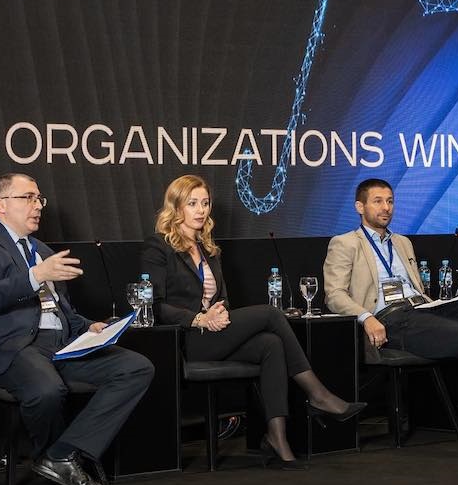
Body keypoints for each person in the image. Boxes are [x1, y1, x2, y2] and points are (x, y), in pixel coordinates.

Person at [142, 174, 364, 469]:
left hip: (214, 333)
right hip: (186, 339)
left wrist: (219, 314)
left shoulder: (208, 248)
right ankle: (318, 395)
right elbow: (154, 305)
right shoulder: (158, 247)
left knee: (270, 344)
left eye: (205, 203)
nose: (201, 210)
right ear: (176, 206)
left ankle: (277, 440)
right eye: (192, 203)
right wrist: (198, 319)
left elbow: (222, 299)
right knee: (271, 314)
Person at [0, 173, 154, 485]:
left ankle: (61, 454)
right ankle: (59, 457)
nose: (38, 206)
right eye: (28, 198)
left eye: (39, 199)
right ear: (1, 204)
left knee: (136, 367)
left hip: (61, 345)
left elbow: (62, 312)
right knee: (47, 389)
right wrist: (36, 275)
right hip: (12, 346)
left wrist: (89, 327)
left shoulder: (44, 251)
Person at [323, 178, 458, 451]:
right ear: (359, 206)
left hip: (422, 308)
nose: (386, 208)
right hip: (390, 318)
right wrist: (366, 317)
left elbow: (417, 288)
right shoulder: (345, 243)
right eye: (378, 201)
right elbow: (334, 295)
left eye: (390, 201)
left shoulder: (402, 242)